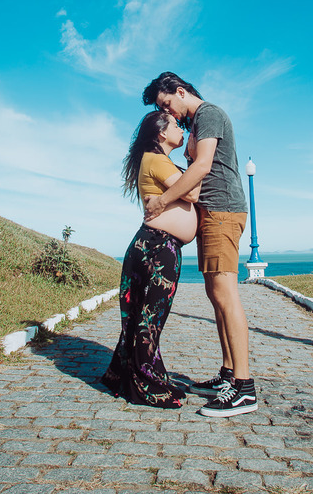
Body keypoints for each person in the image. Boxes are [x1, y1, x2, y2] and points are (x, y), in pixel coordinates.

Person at [141, 72, 257, 418]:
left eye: (167, 104)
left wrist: (161, 203)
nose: (168, 112)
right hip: (211, 213)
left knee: (225, 295)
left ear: (180, 92)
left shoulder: (209, 114)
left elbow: (203, 166)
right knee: (215, 295)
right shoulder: (194, 125)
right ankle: (228, 374)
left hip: (223, 210)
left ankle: (244, 388)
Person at [100, 110, 200, 408]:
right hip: (157, 248)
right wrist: (194, 158)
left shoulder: (157, 159)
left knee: (142, 319)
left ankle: (131, 375)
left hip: (154, 245)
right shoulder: (156, 159)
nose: (181, 130)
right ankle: (146, 386)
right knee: (149, 320)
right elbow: (193, 193)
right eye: (176, 125)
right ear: (161, 133)